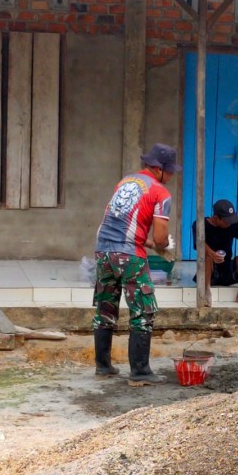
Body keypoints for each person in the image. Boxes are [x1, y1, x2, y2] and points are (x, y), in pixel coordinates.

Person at [93, 143, 179, 384]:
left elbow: (124, 225)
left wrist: (150, 245)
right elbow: (161, 237)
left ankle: (103, 366)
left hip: (103, 251)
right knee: (142, 311)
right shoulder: (161, 193)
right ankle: (140, 372)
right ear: (159, 169)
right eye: (170, 170)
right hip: (129, 256)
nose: (172, 176)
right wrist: (164, 247)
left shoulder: (125, 182)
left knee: (105, 309)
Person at [193, 199, 238, 306]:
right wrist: (212, 254)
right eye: (227, 221)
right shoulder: (200, 224)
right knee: (207, 257)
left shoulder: (232, 224)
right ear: (216, 218)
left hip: (227, 271)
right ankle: (206, 291)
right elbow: (199, 243)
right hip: (210, 272)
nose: (230, 223)